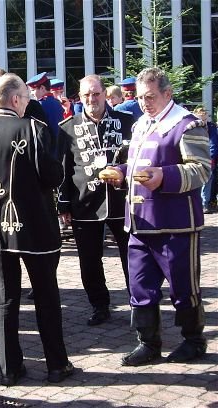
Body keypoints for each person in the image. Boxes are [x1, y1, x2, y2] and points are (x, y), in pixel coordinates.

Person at [0, 73, 73, 386]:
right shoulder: (32, 128)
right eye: (26, 97)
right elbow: (52, 176)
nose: (28, 103)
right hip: (35, 226)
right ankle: (56, 365)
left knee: (4, 299)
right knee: (46, 296)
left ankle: (9, 368)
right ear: (15, 99)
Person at [102, 67, 211, 366]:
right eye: (140, 97)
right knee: (140, 287)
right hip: (140, 222)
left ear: (167, 93)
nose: (144, 103)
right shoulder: (141, 124)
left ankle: (194, 340)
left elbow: (201, 169)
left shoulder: (186, 124)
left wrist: (164, 176)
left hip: (176, 224)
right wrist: (121, 172)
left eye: (150, 97)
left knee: (183, 288)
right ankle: (148, 343)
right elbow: (140, 165)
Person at [57, 74, 134, 326]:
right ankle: (99, 305)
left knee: (132, 255)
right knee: (89, 259)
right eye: (86, 95)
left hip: (122, 200)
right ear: (80, 97)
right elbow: (63, 169)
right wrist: (64, 203)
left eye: (96, 93)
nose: (92, 99)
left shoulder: (126, 122)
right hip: (85, 202)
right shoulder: (67, 128)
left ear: (104, 94)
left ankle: (138, 303)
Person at [26, 72, 64, 159]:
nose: (32, 93)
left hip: (48, 152)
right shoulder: (58, 103)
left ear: (42, 88)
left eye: (33, 90)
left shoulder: (39, 105)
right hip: (60, 150)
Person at [192, 106, 217, 214]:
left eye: (205, 118)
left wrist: (211, 157)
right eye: (201, 118)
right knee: (196, 181)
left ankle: (204, 204)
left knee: (207, 181)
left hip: (209, 158)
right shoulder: (192, 127)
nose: (203, 120)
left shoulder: (211, 127)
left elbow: (213, 143)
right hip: (195, 158)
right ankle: (197, 204)